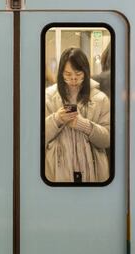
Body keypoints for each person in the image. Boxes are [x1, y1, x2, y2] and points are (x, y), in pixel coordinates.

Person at [45, 47, 110, 183]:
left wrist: (84, 125)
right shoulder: (49, 97)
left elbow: (107, 140)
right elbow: (37, 137)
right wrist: (57, 119)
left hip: (93, 170)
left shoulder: (100, 98)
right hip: (57, 172)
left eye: (78, 74)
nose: (73, 79)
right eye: (68, 74)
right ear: (61, 73)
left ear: (86, 72)